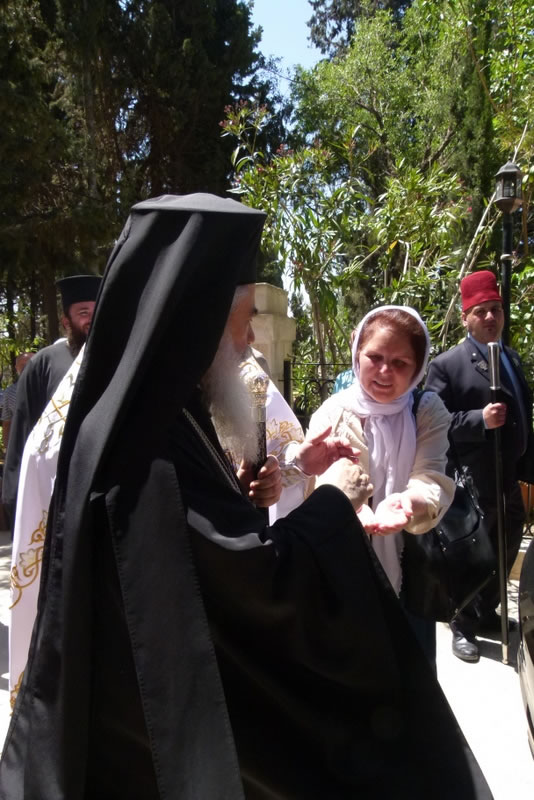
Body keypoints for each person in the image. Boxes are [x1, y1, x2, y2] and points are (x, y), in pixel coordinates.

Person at [0, 195, 493, 800]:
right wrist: (334, 503)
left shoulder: (164, 414)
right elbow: (252, 585)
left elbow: (200, 542)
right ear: (197, 320)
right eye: (244, 317)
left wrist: (277, 477)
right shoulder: (147, 445)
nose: (251, 336)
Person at [308, 306, 455, 664]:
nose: (385, 371)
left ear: (418, 368)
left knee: (409, 667)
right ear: (358, 353)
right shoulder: (333, 413)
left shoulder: (427, 410)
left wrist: (409, 504)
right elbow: (323, 479)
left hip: (409, 566)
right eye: (375, 357)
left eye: (400, 363)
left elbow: (431, 476)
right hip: (344, 567)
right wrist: (351, 510)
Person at [425, 270, 534, 663]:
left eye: (496, 310)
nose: (490, 317)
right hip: (473, 480)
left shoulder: (510, 357)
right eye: (481, 311)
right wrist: (479, 420)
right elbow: (434, 421)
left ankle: (486, 610)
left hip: (509, 476)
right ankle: (463, 624)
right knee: (475, 552)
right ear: (466, 318)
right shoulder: (447, 365)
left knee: (507, 544)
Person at [1, 274, 101, 526]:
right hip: (57, 490)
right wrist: (14, 495)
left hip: (105, 487)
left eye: (97, 310)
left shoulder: (120, 359)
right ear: (66, 321)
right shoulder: (44, 364)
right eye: (83, 312)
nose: (92, 318)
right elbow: (23, 430)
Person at [1, 353, 33, 451]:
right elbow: (7, 422)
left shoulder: (50, 388)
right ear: (16, 367)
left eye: (29, 364)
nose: (26, 368)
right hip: (20, 444)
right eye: (22, 365)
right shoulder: (10, 392)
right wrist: (7, 449)